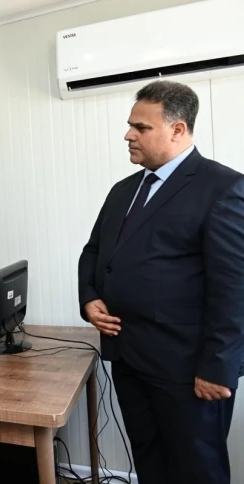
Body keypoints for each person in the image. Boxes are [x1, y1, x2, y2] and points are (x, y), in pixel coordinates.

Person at [78, 80, 244, 484]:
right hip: (129, 359)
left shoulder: (222, 188)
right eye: (130, 125)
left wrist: (218, 368)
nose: (128, 135)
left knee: (197, 471)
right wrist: (89, 298)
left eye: (141, 127)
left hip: (187, 370)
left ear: (177, 129)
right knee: (150, 463)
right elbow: (94, 252)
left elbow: (234, 289)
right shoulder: (123, 191)